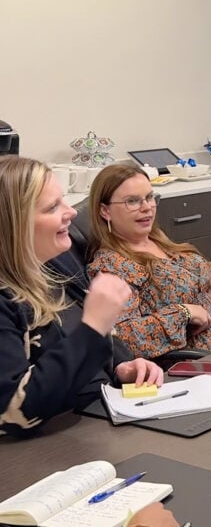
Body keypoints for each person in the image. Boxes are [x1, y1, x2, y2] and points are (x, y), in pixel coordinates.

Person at [0, 156, 162, 437]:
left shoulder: (56, 261)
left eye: (63, 200)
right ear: (13, 225)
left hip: (96, 422)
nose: (72, 213)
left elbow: (80, 348)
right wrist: (94, 326)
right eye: (52, 207)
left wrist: (121, 366)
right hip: (39, 453)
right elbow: (14, 411)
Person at [87, 164, 211, 359]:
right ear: (105, 211)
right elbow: (125, 339)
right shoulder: (112, 268)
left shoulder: (156, 240)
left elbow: (186, 268)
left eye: (150, 197)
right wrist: (183, 313)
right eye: (132, 201)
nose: (147, 207)